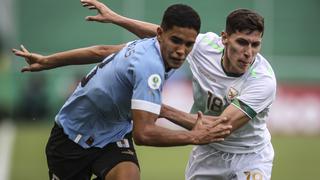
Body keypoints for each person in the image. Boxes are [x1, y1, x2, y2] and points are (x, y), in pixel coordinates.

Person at [12, 4, 232, 180]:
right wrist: (194, 136)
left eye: (189, 44)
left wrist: (49, 61)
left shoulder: (148, 46)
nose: (181, 51)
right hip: (72, 139)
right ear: (160, 34)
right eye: (176, 40)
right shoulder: (150, 66)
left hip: (113, 134)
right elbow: (144, 133)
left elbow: (102, 51)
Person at [78, 1, 277, 179]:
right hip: (208, 152)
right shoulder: (206, 45)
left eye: (255, 44)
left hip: (249, 155)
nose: (248, 52)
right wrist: (116, 18)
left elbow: (220, 128)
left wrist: (157, 107)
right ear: (224, 38)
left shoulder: (263, 81)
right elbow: (162, 36)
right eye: (242, 42)